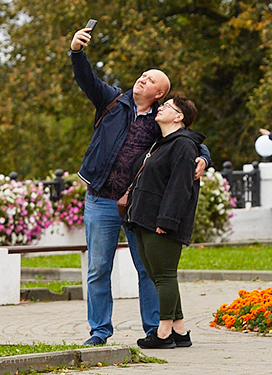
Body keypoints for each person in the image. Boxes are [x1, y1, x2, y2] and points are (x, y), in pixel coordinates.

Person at [70, 25, 211, 346]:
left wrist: (204, 157)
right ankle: (99, 332)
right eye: (142, 76)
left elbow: (188, 139)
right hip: (100, 199)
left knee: (147, 268)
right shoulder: (111, 100)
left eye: (150, 80)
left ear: (159, 94)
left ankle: (155, 329)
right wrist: (77, 51)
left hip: (137, 205)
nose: (142, 80)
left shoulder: (161, 118)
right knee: (98, 269)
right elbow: (85, 77)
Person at [125, 95, 204, 349]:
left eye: (168, 106)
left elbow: (180, 187)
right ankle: (180, 331)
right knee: (157, 274)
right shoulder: (161, 143)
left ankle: (163, 333)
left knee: (164, 276)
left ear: (179, 117)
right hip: (144, 218)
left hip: (161, 221)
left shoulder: (184, 145)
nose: (161, 108)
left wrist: (167, 220)